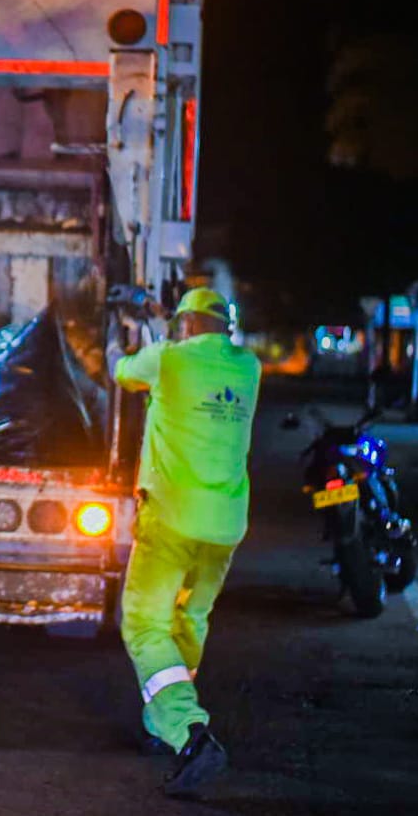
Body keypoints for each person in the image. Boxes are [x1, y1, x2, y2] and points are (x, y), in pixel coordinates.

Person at [106, 286, 261, 798]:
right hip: (225, 525)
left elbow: (124, 372)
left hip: (172, 517)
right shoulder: (248, 369)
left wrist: (115, 338)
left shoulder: (166, 361)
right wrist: (162, 317)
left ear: (186, 326)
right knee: (188, 619)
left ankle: (189, 733)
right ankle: (159, 724)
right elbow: (195, 343)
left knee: (144, 625)